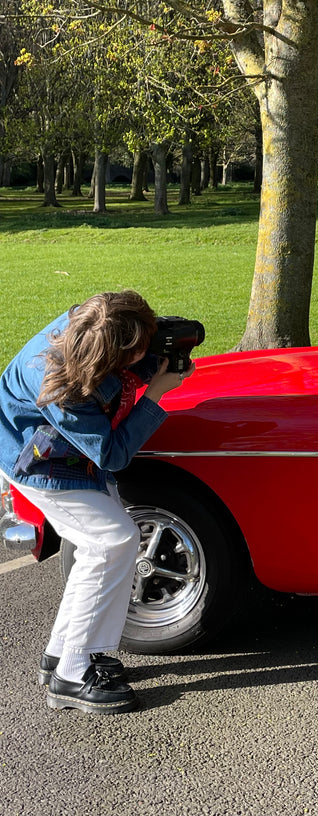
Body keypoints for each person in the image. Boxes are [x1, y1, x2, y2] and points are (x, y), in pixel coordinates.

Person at [0, 291, 193, 715]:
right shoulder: (63, 384)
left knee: (102, 546)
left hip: (65, 454)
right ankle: (71, 676)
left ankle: (64, 654)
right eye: (140, 345)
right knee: (111, 542)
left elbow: (115, 368)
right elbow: (112, 454)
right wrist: (155, 392)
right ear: (111, 353)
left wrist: (155, 356)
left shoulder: (93, 323)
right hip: (38, 462)